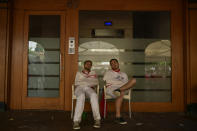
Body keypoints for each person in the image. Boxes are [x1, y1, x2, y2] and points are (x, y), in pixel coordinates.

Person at [103, 59, 136, 125]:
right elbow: (105, 82)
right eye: (111, 63)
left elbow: (127, 84)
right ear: (110, 65)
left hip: (123, 88)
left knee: (134, 80)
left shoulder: (124, 74)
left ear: (118, 63)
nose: (113, 64)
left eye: (115, 62)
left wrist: (121, 88)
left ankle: (119, 90)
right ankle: (118, 116)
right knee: (121, 93)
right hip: (112, 88)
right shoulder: (108, 72)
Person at [73, 60, 101, 130]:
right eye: (87, 64)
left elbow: (96, 82)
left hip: (89, 88)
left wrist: (84, 81)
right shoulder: (79, 73)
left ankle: (97, 119)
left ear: (91, 66)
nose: (88, 65)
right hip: (79, 88)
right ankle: (76, 121)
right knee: (81, 96)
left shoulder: (93, 73)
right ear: (84, 65)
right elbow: (77, 83)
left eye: (90, 64)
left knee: (94, 95)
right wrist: (89, 81)